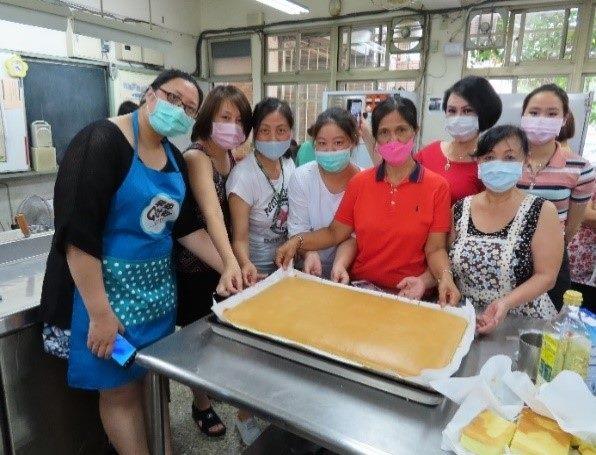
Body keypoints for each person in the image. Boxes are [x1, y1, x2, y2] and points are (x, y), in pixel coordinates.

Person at [39, 69, 239, 455]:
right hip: (106, 308)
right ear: (150, 94)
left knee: (150, 385)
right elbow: (77, 238)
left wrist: (229, 266)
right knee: (120, 391)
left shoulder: (172, 159)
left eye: (190, 109)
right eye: (173, 99)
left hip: (153, 306)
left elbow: (185, 230)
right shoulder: (100, 142)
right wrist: (100, 315)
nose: (179, 110)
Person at [276, 96, 460, 304]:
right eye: (384, 132)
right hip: (359, 291)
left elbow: (435, 249)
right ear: (376, 138)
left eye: (401, 130)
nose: (393, 140)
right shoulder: (360, 183)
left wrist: (444, 277)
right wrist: (298, 241)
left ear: (414, 132)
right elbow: (335, 232)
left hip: (410, 295)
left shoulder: (437, 187)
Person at [174, 85, 251, 437]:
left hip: (222, 257)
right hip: (195, 260)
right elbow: (211, 213)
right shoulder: (197, 156)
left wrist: (236, 261)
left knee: (222, 335)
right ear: (207, 118)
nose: (232, 126)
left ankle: (215, 389)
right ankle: (200, 403)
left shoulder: (231, 155)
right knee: (198, 336)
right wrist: (231, 264)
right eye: (224, 117)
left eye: (239, 120)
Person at [226, 97, 296, 444]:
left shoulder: (290, 166)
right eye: (265, 130)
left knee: (278, 354)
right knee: (251, 357)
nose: (273, 137)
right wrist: (247, 265)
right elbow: (237, 238)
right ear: (254, 133)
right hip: (253, 277)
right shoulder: (243, 176)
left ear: (291, 133)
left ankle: (272, 410)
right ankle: (244, 417)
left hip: (284, 274)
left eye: (280, 130)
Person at [450, 125, 563, 334]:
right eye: (489, 157)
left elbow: (546, 276)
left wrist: (505, 303)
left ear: (525, 160)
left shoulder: (542, 211)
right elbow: (446, 261)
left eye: (509, 158)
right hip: (468, 319)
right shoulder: (460, 209)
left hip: (524, 322)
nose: (498, 165)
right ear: (478, 162)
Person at [517, 84, 595, 309]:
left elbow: (573, 224)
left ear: (564, 119)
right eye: (534, 112)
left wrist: (552, 245)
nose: (541, 119)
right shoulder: (506, 160)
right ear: (523, 116)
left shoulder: (580, 168)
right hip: (506, 254)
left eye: (552, 114)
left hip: (551, 260)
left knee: (547, 326)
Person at [288, 108, 361, 279]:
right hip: (307, 273)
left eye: (338, 143)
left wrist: (340, 264)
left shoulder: (363, 182)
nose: (329, 150)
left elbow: (355, 236)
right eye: (322, 143)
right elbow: (298, 229)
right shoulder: (302, 177)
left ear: (352, 142)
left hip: (349, 275)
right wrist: (310, 254)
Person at [416, 76, 502, 205]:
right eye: (452, 110)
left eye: (467, 111)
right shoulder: (428, 153)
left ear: (484, 114)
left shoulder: (487, 165)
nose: (458, 118)